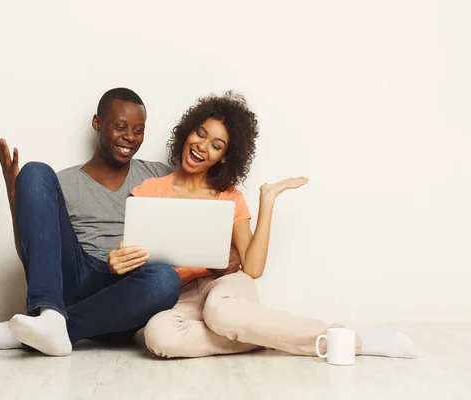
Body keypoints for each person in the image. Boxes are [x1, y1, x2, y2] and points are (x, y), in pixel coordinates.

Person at [130, 91, 417, 359]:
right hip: (181, 293)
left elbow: (253, 269)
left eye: (216, 145)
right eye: (200, 134)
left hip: (225, 286)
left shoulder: (230, 197)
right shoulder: (148, 190)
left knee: (222, 314)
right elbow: (134, 256)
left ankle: (348, 341)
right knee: (157, 335)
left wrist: (267, 200)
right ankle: (264, 334)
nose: (202, 147)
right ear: (188, 131)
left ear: (224, 157)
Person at [0, 88, 238, 356]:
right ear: (97, 123)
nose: (129, 137)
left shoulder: (160, 175)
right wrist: (15, 193)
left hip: (124, 297)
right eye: (120, 127)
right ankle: (50, 314)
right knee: (35, 171)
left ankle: (32, 331)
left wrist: (227, 256)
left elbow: (205, 227)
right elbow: (32, 254)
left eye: (138, 131)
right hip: (73, 278)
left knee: (165, 280)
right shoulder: (60, 183)